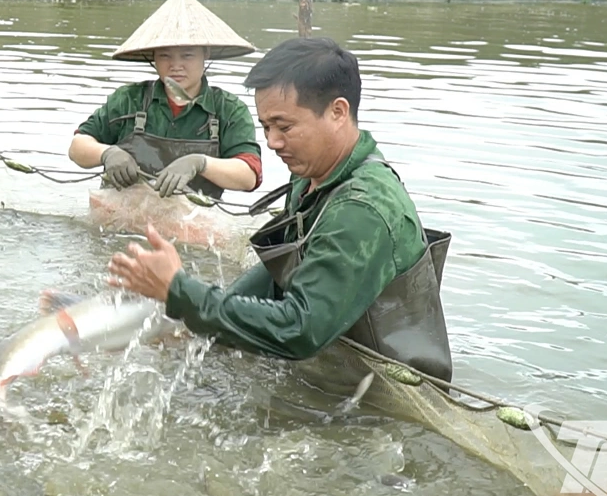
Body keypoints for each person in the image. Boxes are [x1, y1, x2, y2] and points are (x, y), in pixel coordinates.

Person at [106, 36, 455, 383]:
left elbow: (300, 329)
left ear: (338, 112)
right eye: (266, 127)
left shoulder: (362, 209)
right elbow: (276, 278)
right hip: (330, 357)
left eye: (284, 127)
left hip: (385, 388)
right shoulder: (312, 178)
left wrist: (183, 294)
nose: (272, 142)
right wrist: (190, 318)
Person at [67, 0, 264, 200]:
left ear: (205, 54)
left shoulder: (228, 109)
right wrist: (107, 153)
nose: (176, 66)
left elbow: (248, 175)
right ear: (153, 57)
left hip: (193, 223)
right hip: (120, 217)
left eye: (187, 55)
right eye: (165, 56)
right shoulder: (128, 99)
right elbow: (77, 147)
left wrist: (199, 163)